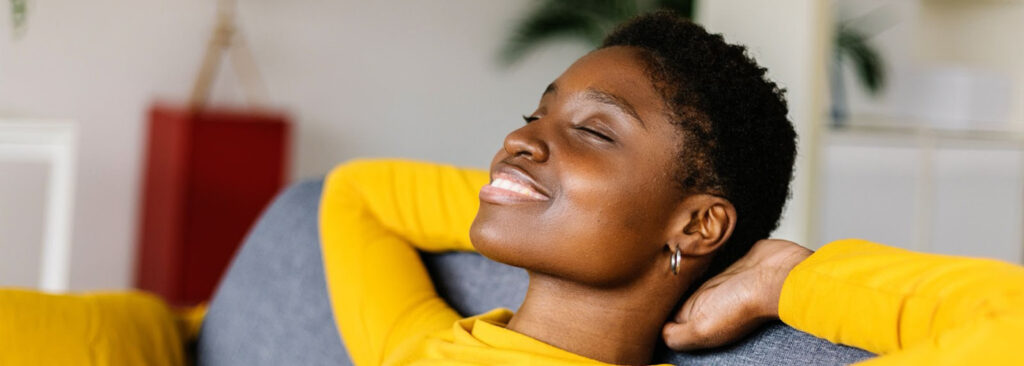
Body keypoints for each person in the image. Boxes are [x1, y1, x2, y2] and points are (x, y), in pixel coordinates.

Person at [318, 12, 1024, 365]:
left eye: (594, 132)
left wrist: (785, 280)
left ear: (696, 227)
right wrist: (522, 187)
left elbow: (1008, 324)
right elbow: (360, 195)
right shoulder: (416, 348)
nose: (521, 140)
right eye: (536, 115)